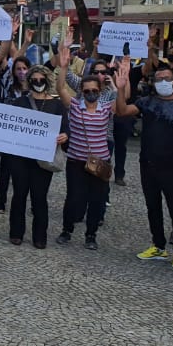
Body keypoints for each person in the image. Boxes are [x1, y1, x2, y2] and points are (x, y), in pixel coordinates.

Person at [114, 61, 173, 267]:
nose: (162, 82)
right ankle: (158, 245)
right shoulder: (146, 102)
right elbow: (121, 111)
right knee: (152, 206)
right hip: (148, 163)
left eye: (166, 79)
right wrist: (121, 89)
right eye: (158, 79)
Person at [55, 43, 114, 250]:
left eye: (94, 91)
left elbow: (122, 101)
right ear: (82, 91)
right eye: (87, 90)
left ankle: (91, 235)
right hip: (76, 160)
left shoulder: (107, 107)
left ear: (100, 91)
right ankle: (67, 229)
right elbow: (60, 88)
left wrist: (118, 85)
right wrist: (63, 67)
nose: (90, 93)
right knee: (74, 197)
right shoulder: (75, 106)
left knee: (97, 200)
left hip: (100, 161)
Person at [5, 66, 66, 248]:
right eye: (34, 80)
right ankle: (16, 233)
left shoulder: (56, 105)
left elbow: (66, 127)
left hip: (43, 158)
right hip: (20, 157)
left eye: (41, 80)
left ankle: (40, 237)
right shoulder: (20, 102)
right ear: (29, 81)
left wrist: (65, 136)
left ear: (47, 81)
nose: (38, 83)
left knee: (40, 197)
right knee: (19, 195)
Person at [0, 54, 32, 211]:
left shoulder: (34, 89)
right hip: (8, 134)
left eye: (25, 68)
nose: (22, 72)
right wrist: (24, 43)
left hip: (26, 136)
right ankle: (1, 202)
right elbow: (6, 68)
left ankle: (23, 203)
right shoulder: (9, 86)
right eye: (18, 69)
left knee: (24, 171)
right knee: (5, 169)